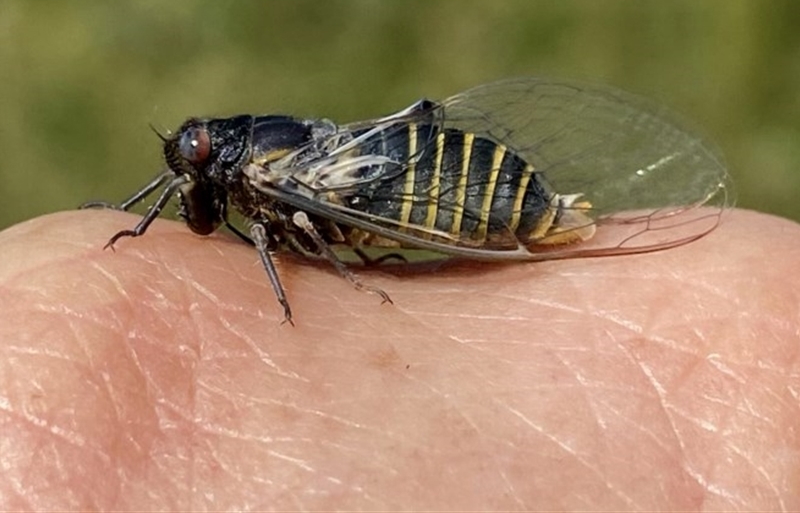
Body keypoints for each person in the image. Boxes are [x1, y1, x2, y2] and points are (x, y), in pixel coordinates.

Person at [1, 207, 798, 510]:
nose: (188, 175)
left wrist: (333, 276)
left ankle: (521, 212)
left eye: (201, 155)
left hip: (368, 188)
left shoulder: (271, 188)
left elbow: (300, 229)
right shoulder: (226, 185)